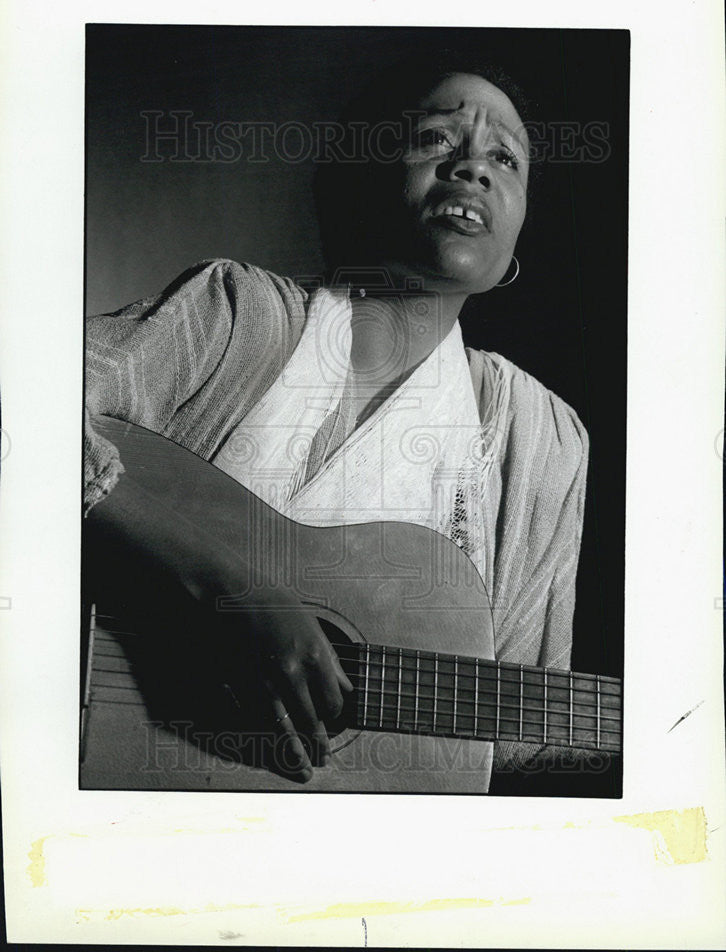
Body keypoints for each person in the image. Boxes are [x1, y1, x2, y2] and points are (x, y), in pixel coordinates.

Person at [83, 52, 588, 788]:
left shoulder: (540, 438)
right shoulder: (238, 317)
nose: (474, 167)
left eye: (505, 159)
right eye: (438, 139)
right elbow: (18, 416)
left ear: (516, 235)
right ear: (365, 175)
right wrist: (225, 587)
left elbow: (514, 745)